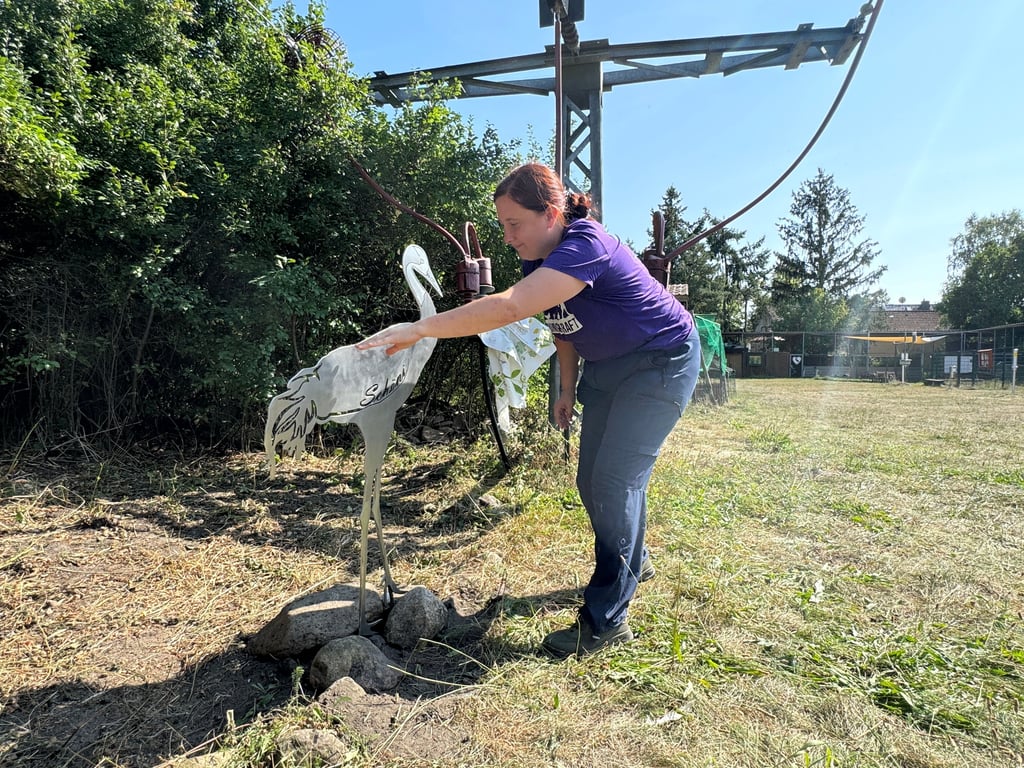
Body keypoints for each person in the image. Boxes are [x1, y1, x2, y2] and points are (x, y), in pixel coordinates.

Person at [357, 162, 701, 658]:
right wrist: (565, 387)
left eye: (514, 223)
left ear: (552, 214)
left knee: (614, 482)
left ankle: (606, 621)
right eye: (502, 224)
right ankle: (634, 559)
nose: (507, 235)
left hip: (660, 362)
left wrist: (418, 328)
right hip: (610, 368)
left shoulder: (586, 245)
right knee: (595, 482)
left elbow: (511, 307)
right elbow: (564, 326)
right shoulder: (537, 261)